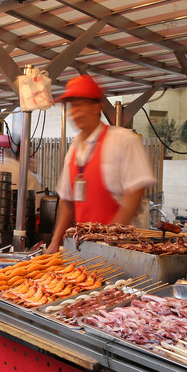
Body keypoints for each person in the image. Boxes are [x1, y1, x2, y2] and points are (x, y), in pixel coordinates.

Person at [47, 75, 156, 253]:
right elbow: (67, 202)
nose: (74, 112)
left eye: (79, 105)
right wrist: (55, 242)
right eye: (71, 106)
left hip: (121, 250)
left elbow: (134, 194)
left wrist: (106, 242)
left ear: (97, 107)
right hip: (84, 249)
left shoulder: (123, 140)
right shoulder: (74, 148)